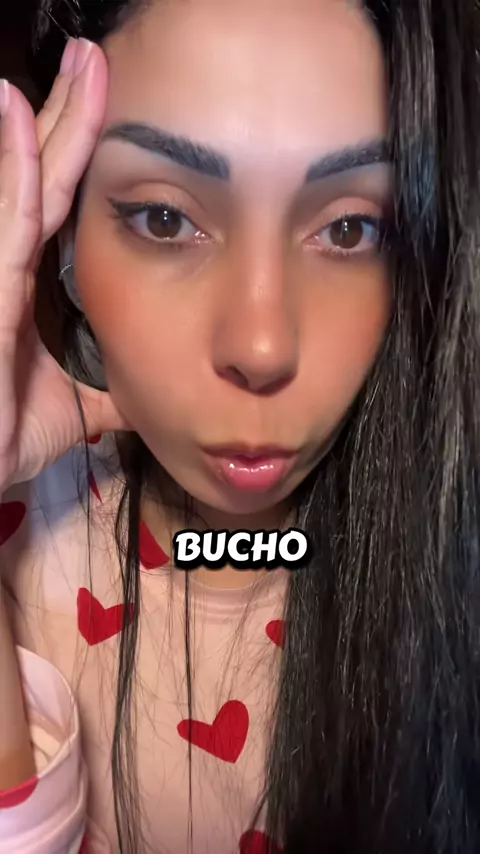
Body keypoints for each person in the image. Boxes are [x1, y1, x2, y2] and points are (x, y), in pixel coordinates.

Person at [0, 0, 479, 851]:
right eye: (164, 218)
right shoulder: (22, 539)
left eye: (350, 228)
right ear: (63, 239)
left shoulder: (454, 574)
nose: (261, 346)